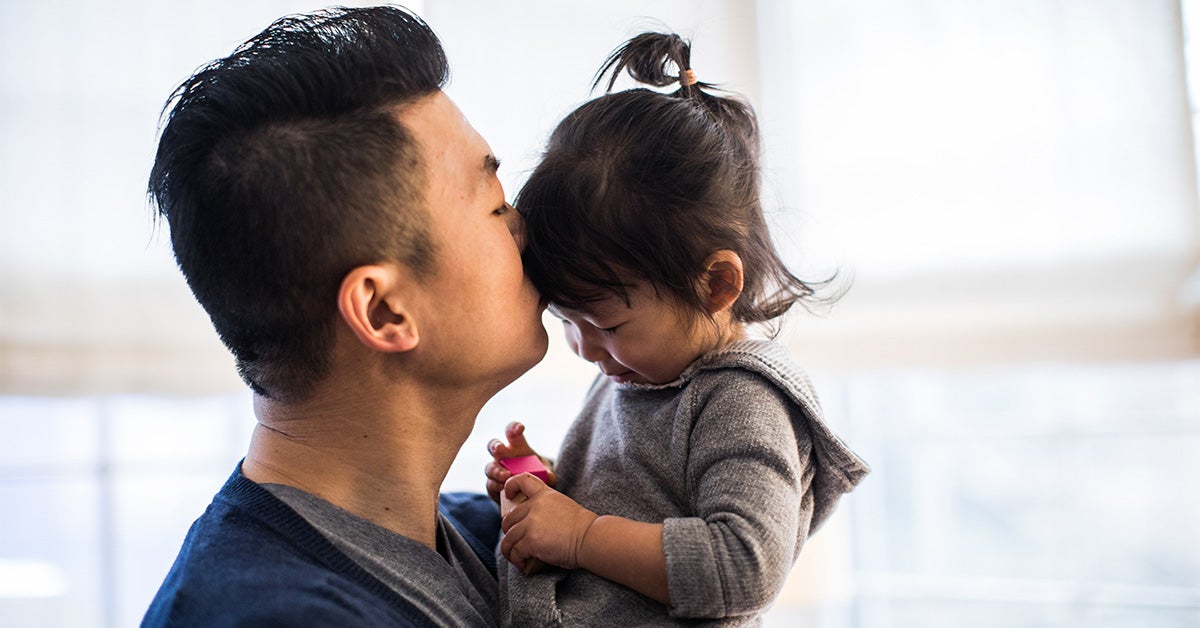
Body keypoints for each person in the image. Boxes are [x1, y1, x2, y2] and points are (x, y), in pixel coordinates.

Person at [141, 6, 548, 626]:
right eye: (496, 209)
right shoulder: (267, 616)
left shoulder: (499, 536)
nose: (526, 227)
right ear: (384, 310)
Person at [483, 32, 870, 625]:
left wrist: (583, 535)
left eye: (606, 322)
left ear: (715, 286)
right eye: (567, 319)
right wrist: (548, 495)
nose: (586, 348)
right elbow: (638, 499)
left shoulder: (742, 400)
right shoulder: (637, 367)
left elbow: (744, 565)